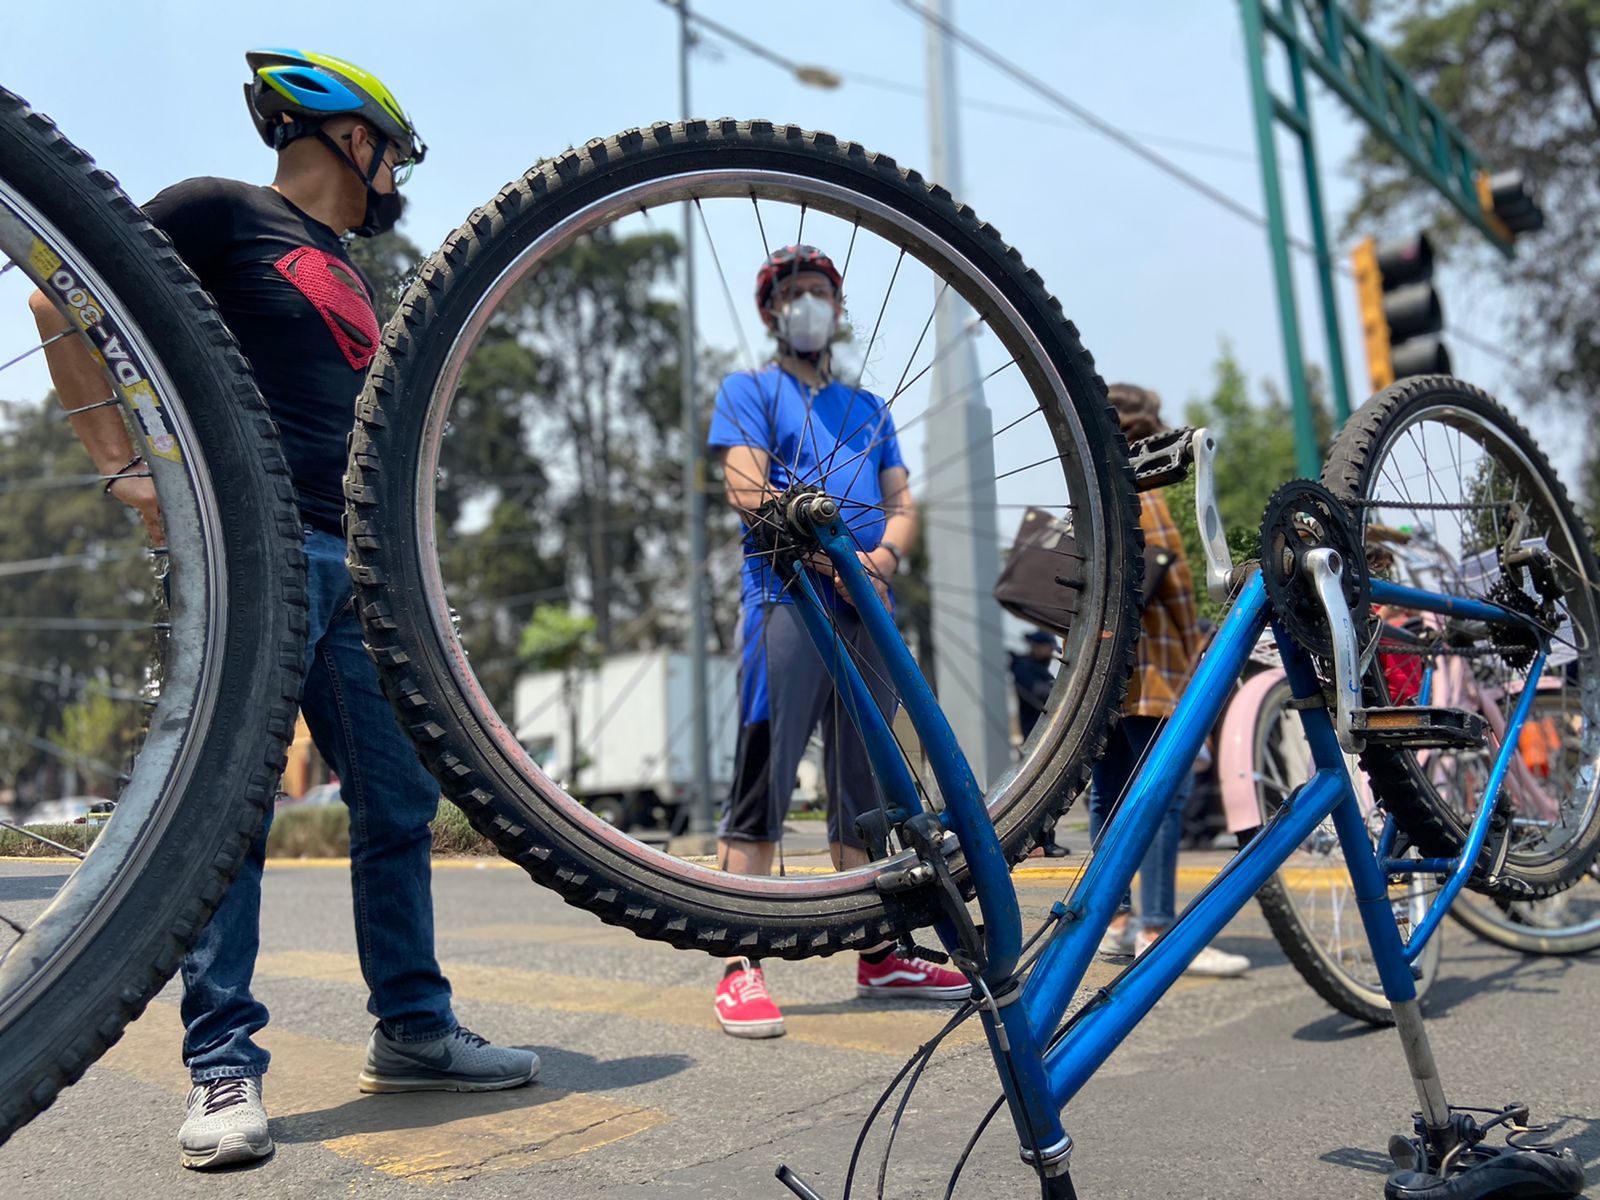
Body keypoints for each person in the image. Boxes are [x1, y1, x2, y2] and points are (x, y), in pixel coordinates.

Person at [28, 49, 536, 1170]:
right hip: (248, 554)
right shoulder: (218, 210)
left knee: (398, 804)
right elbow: (57, 291)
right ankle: (223, 1070)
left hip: (358, 565)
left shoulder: (350, 270)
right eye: (392, 154)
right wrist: (123, 467)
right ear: (351, 137)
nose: (397, 178)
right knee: (232, 822)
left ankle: (414, 1030)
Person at [706, 244, 970, 1038]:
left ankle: (878, 950)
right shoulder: (750, 390)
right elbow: (745, 483)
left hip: (868, 600)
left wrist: (882, 555)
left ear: (839, 307)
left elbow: (903, 502)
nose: (809, 303)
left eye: (821, 291)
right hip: (786, 595)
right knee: (767, 769)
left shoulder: (871, 409)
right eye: (794, 293)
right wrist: (815, 540)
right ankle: (738, 959)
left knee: (870, 787)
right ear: (770, 313)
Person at [1087, 384, 1250, 978]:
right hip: (1152, 671)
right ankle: (1158, 928)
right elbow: (1174, 589)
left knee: (1109, 796)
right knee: (1161, 797)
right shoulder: (1144, 493)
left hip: (1099, 683)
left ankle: (1115, 922)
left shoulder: (1091, 496)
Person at [1010, 630, 1069, 856]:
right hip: (1034, 739)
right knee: (1040, 794)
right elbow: (1041, 694)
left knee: (1046, 793)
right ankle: (1041, 843)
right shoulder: (1025, 669)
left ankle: (1045, 841)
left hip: (1042, 738)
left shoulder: (1037, 669)